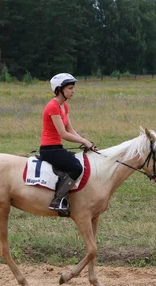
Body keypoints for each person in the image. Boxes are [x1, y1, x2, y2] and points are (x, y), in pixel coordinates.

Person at [39, 73, 97, 212]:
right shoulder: (52, 106)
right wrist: (84, 141)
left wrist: (86, 142)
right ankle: (57, 200)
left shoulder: (64, 106)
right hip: (49, 149)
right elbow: (63, 133)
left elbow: (70, 129)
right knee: (76, 168)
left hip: (57, 147)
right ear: (60, 89)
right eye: (70, 88)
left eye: (73, 88)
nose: (73, 91)